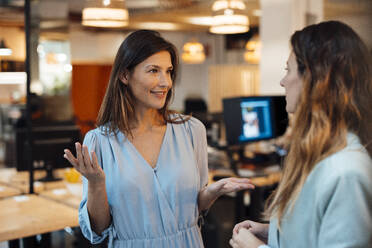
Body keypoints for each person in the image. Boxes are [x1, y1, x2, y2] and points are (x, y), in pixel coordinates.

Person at [63, 30, 254, 247]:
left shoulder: (192, 131)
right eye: (154, 71)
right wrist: (97, 184)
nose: (166, 82)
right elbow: (98, 228)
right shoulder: (99, 142)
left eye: (169, 71)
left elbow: (195, 206)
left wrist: (213, 191)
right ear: (125, 75)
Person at [230, 21, 372, 248]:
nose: (283, 81)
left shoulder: (347, 172)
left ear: (315, 79)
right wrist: (272, 232)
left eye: (288, 70)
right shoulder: (316, 155)